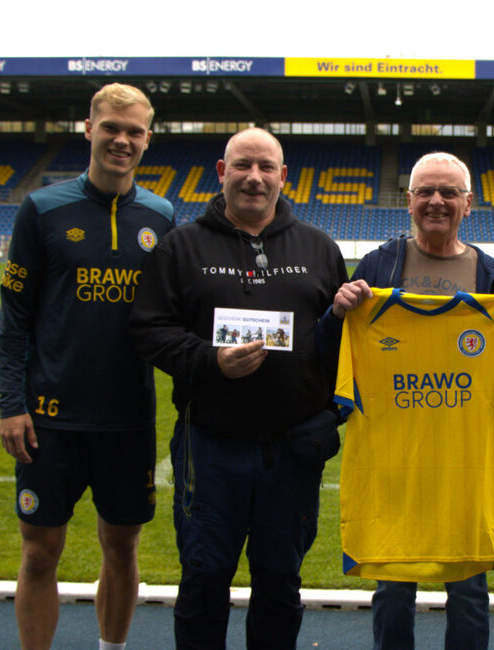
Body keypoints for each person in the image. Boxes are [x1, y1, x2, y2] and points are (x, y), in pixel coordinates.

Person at [129, 127, 348, 649]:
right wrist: (211, 361)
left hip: (293, 452)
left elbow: (345, 344)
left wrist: (330, 417)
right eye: (243, 165)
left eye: (266, 167)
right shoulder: (181, 246)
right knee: (204, 577)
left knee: (279, 581)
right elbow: (148, 330)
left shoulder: (318, 248)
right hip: (210, 446)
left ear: (282, 176)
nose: (255, 177)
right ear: (222, 172)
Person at [325, 151, 494, 650]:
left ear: (468, 203)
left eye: (447, 192)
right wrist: (337, 314)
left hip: (463, 472)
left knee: (468, 591)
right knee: (393, 591)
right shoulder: (378, 265)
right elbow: (331, 358)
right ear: (410, 201)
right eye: (425, 192)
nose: (436, 201)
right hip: (393, 468)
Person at [0, 83, 175, 650]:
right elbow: (14, 318)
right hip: (50, 419)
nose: (121, 140)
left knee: (122, 548)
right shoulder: (42, 209)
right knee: (39, 551)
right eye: (111, 128)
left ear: (148, 138)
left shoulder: (161, 215)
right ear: (89, 129)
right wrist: (11, 405)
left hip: (128, 419)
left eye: (134, 131)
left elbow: (173, 315)